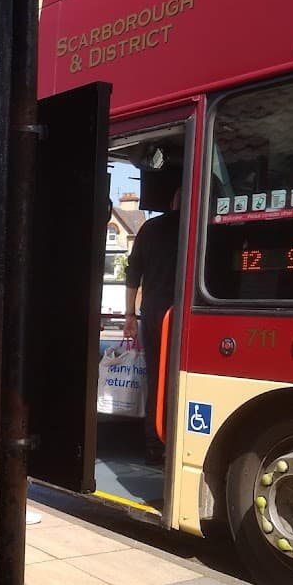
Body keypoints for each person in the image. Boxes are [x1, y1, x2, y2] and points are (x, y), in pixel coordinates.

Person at [123, 189, 181, 465]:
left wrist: (129, 314)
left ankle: (153, 446)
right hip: (186, 310)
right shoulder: (203, 227)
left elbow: (133, 273)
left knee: (156, 377)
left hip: (156, 311)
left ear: (172, 202)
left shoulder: (151, 228)